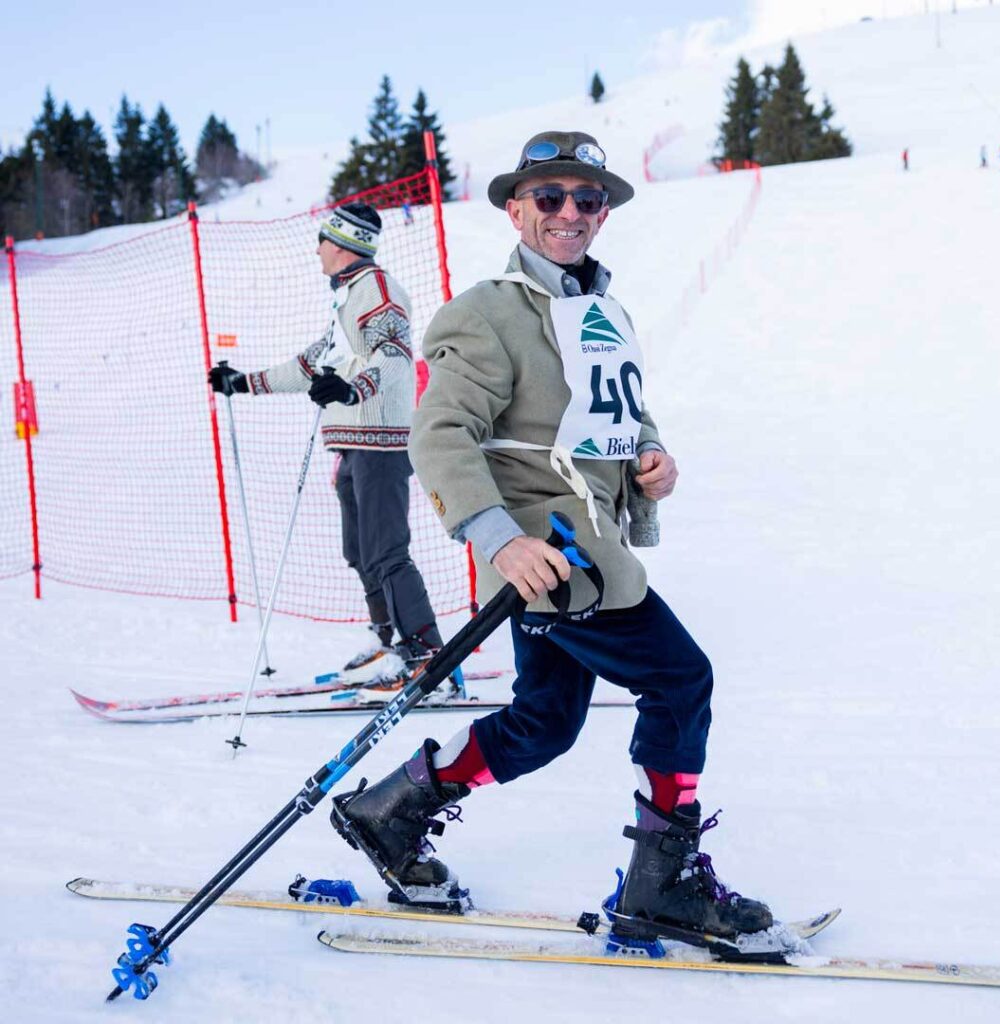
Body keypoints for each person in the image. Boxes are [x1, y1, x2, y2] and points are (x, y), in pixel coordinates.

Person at [329, 132, 773, 944]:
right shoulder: (486, 312)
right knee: (681, 680)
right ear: (515, 208)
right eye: (551, 197)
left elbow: (618, 412)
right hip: (553, 552)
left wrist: (649, 456)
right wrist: (499, 541)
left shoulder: (604, 309)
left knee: (544, 722)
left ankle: (388, 811)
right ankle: (661, 886)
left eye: (588, 199)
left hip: (586, 543)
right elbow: (442, 434)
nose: (571, 213)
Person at [208, 203, 448, 691]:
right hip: (352, 444)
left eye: (322, 239)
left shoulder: (377, 290)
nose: (316, 249)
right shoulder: (345, 297)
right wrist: (243, 383)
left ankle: (429, 659)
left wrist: (352, 390)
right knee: (358, 550)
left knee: (386, 551)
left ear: (341, 244)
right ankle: (387, 640)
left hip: (380, 441)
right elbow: (314, 363)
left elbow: (395, 358)